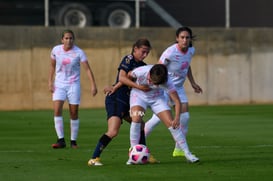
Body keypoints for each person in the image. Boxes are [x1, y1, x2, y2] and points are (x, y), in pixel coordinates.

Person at [87, 38, 152, 166]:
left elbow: (125, 80)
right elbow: (122, 77)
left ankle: (143, 155)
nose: (145, 55)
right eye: (143, 51)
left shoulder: (143, 67)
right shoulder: (128, 59)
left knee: (141, 125)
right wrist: (117, 88)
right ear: (135, 49)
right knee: (113, 131)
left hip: (129, 102)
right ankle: (94, 158)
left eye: (147, 53)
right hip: (117, 99)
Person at [119, 64, 199, 164]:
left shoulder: (168, 82)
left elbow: (177, 101)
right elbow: (126, 78)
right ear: (149, 74)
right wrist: (137, 86)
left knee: (172, 124)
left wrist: (177, 118)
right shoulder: (140, 72)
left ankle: (187, 154)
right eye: (151, 81)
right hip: (138, 96)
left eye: (157, 84)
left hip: (157, 99)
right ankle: (132, 155)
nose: (153, 85)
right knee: (136, 119)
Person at [144, 26, 202, 159]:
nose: (185, 40)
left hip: (179, 89)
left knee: (185, 118)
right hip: (165, 88)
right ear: (177, 39)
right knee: (158, 119)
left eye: (187, 37)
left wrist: (193, 83)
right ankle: (138, 142)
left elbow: (186, 66)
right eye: (182, 37)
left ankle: (178, 150)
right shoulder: (170, 52)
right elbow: (158, 68)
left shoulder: (191, 50)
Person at [48, 29, 97, 149]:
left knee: (74, 112)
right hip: (59, 84)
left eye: (71, 38)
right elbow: (52, 66)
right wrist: (50, 81)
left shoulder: (79, 52)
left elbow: (87, 69)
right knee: (57, 110)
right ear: (62, 40)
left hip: (73, 85)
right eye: (66, 38)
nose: (69, 40)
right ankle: (60, 140)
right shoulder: (56, 50)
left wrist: (93, 85)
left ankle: (73, 141)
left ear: (73, 40)